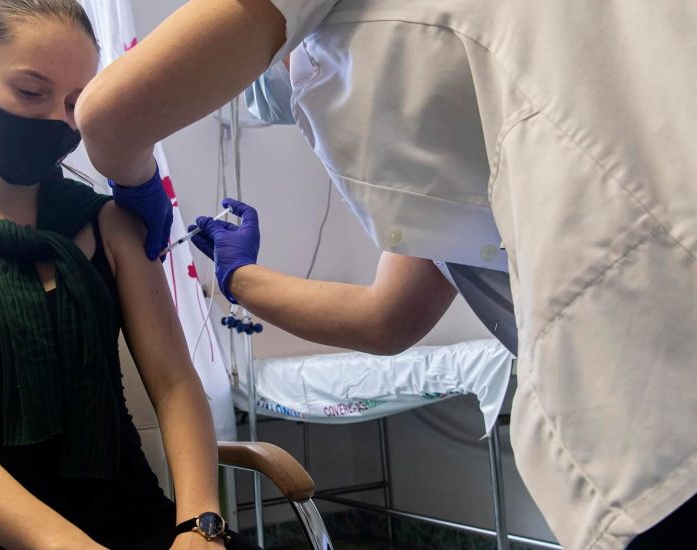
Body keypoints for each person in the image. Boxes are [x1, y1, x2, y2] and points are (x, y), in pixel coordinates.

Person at [73, 1, 697, 548]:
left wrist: (142, 187)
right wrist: (240, 276)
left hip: (653, 349)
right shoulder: (450, 126)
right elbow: (388, 317)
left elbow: (110, 116)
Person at [0, 1, 258, 548]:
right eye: (31, 92)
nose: (57, 121)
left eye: (76, 103)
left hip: (147, 525)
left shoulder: (111, 224)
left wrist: (200, 525)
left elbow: (175, 382)